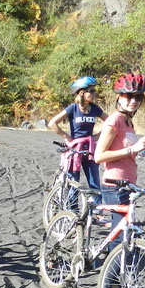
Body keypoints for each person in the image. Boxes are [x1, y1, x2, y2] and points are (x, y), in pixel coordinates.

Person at [93, 73, 145, 234]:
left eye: (138, 97)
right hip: (114, 185)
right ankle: (114, 259)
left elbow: (127, 152)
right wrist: (132, 149)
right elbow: (99, 156)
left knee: (124, 231)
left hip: (128, 183)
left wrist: (143, 150)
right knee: (120, 234)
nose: (133, 101)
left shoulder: (128, 122)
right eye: (129, 96)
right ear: (119, 98)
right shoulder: (114, 121)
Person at [47, 76, 105, 206]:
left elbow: (111, 123)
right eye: (92, 90)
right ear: (82, 93)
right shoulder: (73, 108)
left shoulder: (95, 109)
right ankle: (73, 213)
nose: (95, 93)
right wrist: (67, 138)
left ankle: (97, 211)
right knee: (74, 183)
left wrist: (98, 136)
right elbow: (52, 123)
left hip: (90, 149)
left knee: (95, 183)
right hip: (74, 150)